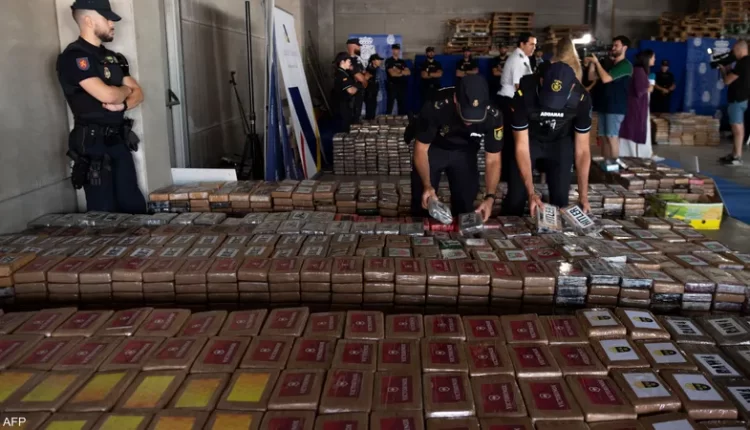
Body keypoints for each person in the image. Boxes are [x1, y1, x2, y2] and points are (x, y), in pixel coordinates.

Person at [57, 0, 146, 214]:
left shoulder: (112, 58)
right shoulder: (75, 57)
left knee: (133, 205)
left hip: (118, 141)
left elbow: (139, 94)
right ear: (89, 20)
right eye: (107, 19)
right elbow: (107, 95)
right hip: (93, 145)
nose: (112, 24)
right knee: (104, 212)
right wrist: (125, 91)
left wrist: (122, 104)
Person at [507, 38, 592, 217]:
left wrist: (583, 196)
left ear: (572, 88)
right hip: (530, 139)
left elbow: (583, 150)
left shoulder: (581, 98)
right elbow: (521, 147)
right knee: (516, 197)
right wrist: (531, 192)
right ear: (541, 81)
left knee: (561, 200)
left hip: (560, 141)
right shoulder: (524, 94)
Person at [411, 75, 504, 222]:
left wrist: (490, 197)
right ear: (455, 99)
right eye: (466, 113)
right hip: (434, 149)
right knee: (423, 200)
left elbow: (493, 159)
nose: (469, 122)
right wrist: (427, 185)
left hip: (466, 153)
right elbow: (421, 149)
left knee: (465, 204)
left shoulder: (494, 116)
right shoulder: (436, 106)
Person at [498, 33, 537, 211]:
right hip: (510, 102)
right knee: (511, 142)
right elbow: (518, 85)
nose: (533, 48)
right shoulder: (517, 60)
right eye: (531, 44)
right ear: (522, 44)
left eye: (534, 45)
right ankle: (508, 176)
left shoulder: (524, 58)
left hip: (516, 101)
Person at [589, 35, 633, 160]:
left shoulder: (625, 65)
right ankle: (606, 164)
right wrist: (593, 63)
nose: (613, 48)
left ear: (624, 48)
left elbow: (605, 78)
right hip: (605, 106)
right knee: (604, 138)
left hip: (616, 107)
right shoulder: (611, 65)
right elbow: (591, 77)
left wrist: (597, 63)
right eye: (613, 45)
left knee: (612, 137)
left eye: (616, 45)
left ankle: (614, 166)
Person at [619, 50, 655, 159]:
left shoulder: (639, 71)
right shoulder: (639, 71)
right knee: (634, 131)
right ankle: (636, 156)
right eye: (653, 57)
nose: (654, 59)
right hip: (637, 107)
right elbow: (640, 90)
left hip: (638, 106)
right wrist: (649, 87)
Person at [719, 40, 750, 166]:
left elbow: (727, 81)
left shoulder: (742, 63)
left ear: (740, 49)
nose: (734, 53)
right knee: (738, 126)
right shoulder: (746, 62)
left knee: (737, 128)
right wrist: (729, 69)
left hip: (737, 99)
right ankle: (734, 154)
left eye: (735, 50)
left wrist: (723, 70)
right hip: (743, 97)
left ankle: (737, 156)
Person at [332, 52, 357, 132]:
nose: (350, 63)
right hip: (343, 104)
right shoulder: (342, 75)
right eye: (349, 61)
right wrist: (358, 87)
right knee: (346, 124)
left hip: (342, 103)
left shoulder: (343, 72)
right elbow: (350, 91)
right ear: (342, 62)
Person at [385, 44, 410, 115]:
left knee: (401, 104)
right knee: (390, 104)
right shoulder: (389, 61)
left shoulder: (402, 61)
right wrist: (402, 72)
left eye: (398, 49)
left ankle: (401, 119)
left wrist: (398, 71)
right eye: (395, 49)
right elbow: (392, 74)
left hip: (401, 85)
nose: (397, 51)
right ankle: (388, 118)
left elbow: (408, 72)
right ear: (392, 50)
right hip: (392, 85)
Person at [346, 38, 366, 123]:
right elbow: (359, 77)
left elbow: (363, 73)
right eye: (358, 46)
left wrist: (363, 79)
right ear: (353, 46)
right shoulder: (346, 60)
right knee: (351, 112)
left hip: (359, 90)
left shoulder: (357, 60)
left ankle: (356, 123)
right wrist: (363, 79)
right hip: (351, 92)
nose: (360, 48)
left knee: (357, 111)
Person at [364, 53, 383, 120]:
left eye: (380, 60)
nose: (380, 61)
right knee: (370, 111)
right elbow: (365, 80)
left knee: (373, 111)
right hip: (369, 93)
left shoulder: (377, 69)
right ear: (373, 61)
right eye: (378, 60)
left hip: (374, 92)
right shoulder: (369, 69)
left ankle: (371, 122)